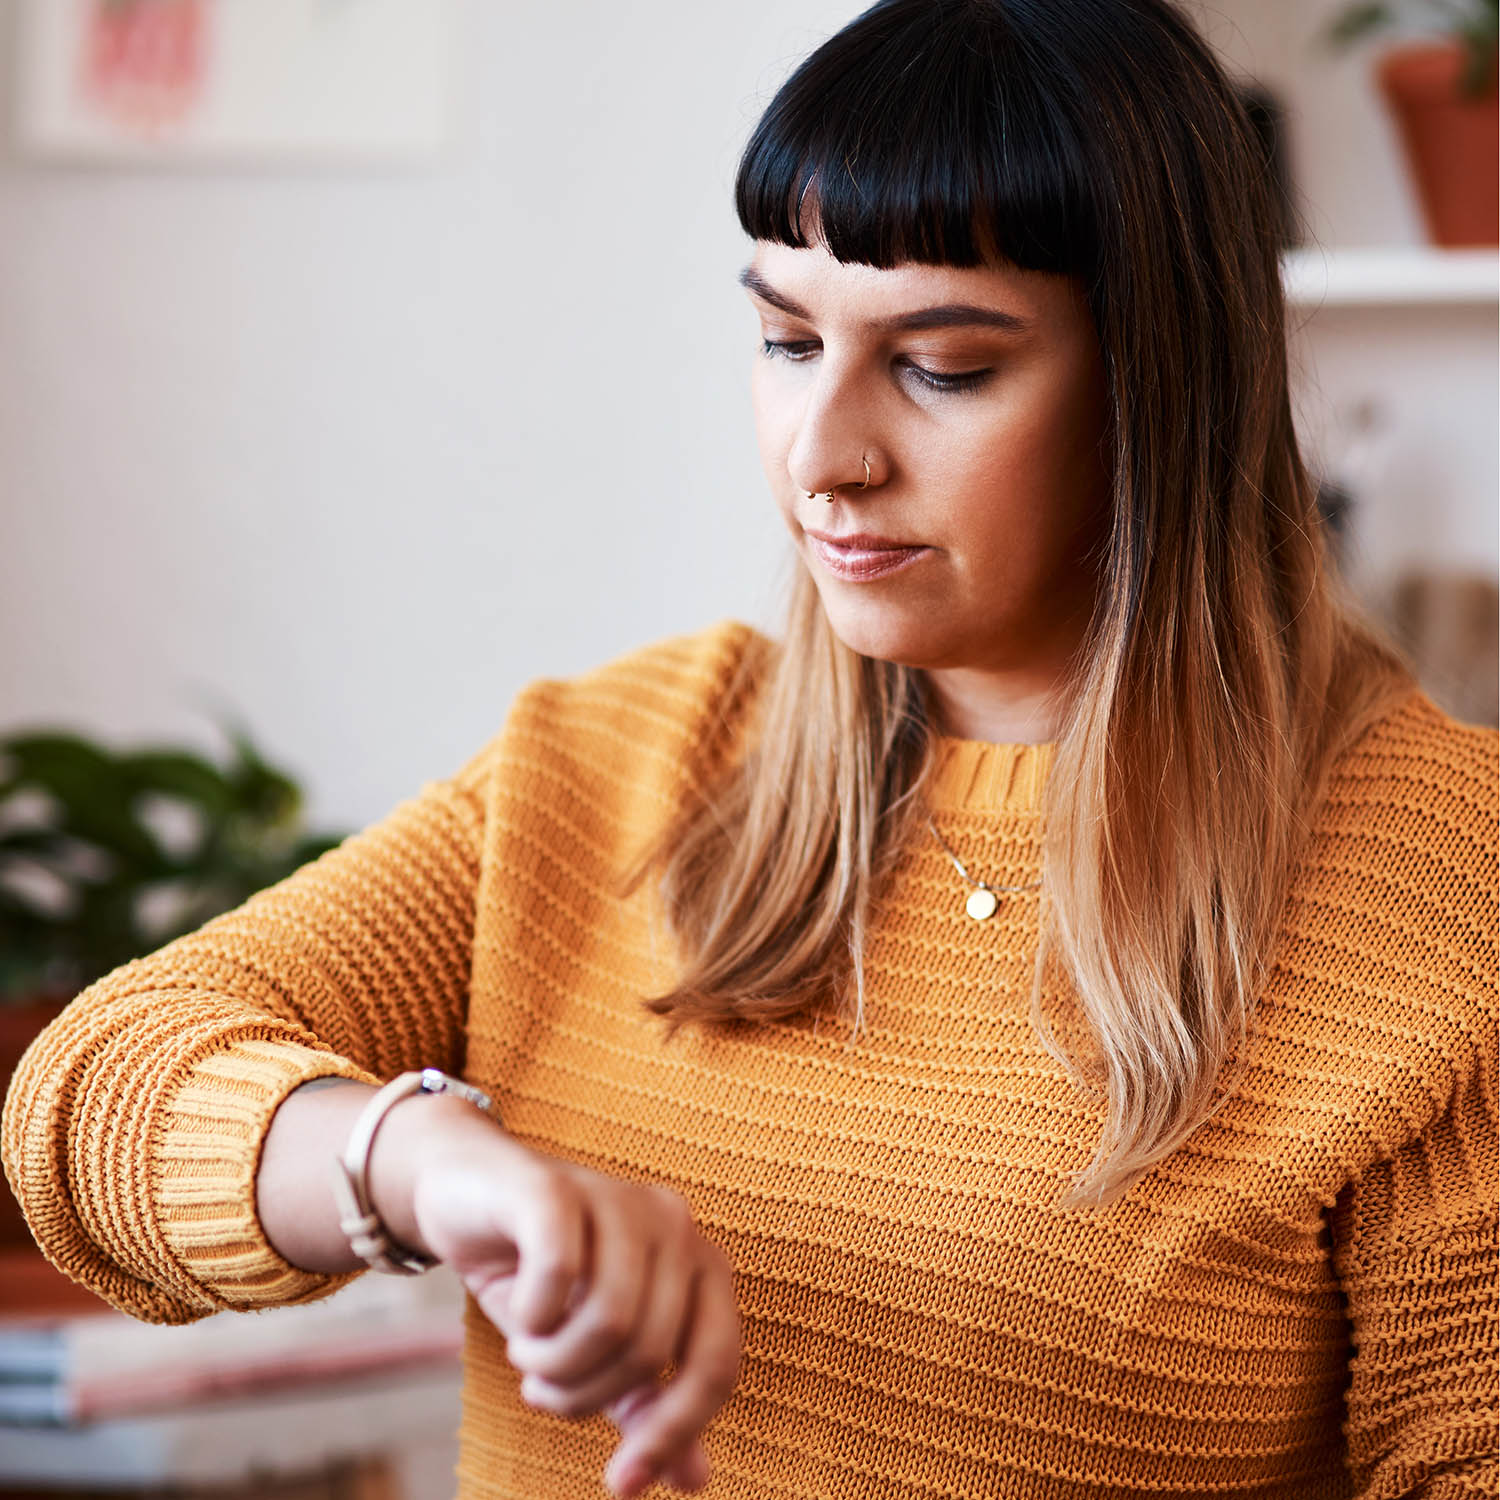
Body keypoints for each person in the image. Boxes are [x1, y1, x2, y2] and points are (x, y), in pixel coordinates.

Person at [4, 0, 1496, 1496]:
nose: (820, 455)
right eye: (786, 338)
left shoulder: (1440, 869)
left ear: (1165, 384)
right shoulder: (609, 765)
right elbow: (88, 1105)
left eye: (943, 367)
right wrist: (424, 1168)